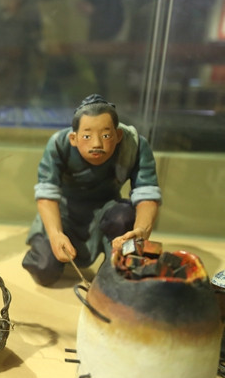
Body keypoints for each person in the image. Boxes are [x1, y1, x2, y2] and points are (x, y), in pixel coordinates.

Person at [22, 94, 161, 287]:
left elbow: (147, 193)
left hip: (108, 212)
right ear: (73, 138)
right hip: (64, 213)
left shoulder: (134, 146)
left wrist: (141, 231)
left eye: (106, 136)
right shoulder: (59, 144)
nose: (97, 144)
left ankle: (112, 273)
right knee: (44, 269)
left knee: (124, 219)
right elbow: (46, 194)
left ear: (118, 135)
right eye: (87, 136)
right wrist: (55, 234)